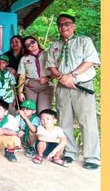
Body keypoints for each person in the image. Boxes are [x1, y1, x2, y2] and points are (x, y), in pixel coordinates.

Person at [46, 13, 101, 170]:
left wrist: (72, 76)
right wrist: (63, 78)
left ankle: (92, 157)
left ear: (74, 26)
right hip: (63, 87)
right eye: (60, 24)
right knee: (64, 120)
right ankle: (70, 152)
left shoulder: (84, 41)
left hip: (82, 86)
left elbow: (90, 61)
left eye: (67, 23)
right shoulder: (55, 45)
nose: (63, 27)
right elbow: (51, 66)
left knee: (87, 121)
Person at [18, 35, 54, 113]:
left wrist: (48, 78)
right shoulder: (24, 58)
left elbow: (56, 70)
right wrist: (20, 92)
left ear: (37, 42)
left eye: (32, 42)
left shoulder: (48, 54)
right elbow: (22, 76)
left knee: (43, 111)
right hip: (30, 86)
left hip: (46, 85)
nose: (31, 45)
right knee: (29, 110)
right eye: (27, 45)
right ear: (25, 48)